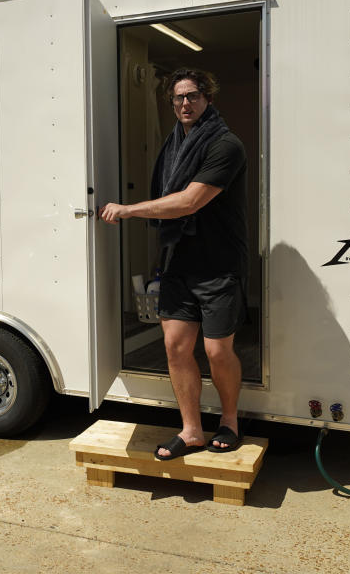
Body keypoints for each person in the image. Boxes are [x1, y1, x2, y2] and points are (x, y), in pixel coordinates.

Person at [100, 68, 247, 458]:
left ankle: (230, 421)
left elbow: (189, 201)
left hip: (217, 266)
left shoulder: (225, 145)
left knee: (217, 351)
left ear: (208, 99)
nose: (185, 103)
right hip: (179, 263)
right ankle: (192, 430)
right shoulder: (173, 147)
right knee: (176, 348)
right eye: (179, 98)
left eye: (193, 96)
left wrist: (129, 210)